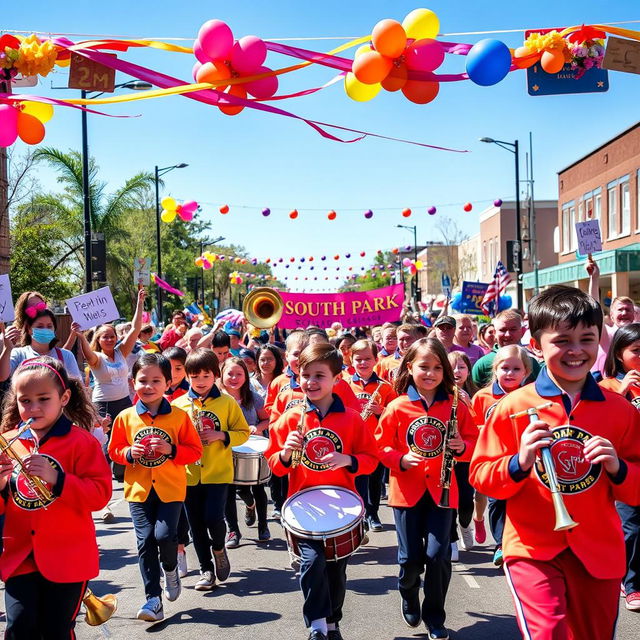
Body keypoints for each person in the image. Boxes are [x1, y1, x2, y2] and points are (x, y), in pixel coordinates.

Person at [470, 285, 640, 640]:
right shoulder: (513, 407)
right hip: (532, 548)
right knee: (547, 633)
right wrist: (519, 462)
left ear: (599, 342)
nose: (576, 350)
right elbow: (482, 476)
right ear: (536, 344)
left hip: (599, 550)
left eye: (586, 339)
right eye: (562, 340)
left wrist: (618, 469)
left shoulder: (620, 409)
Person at [265, 343, 378, 640]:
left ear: (337, 379)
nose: (311, 382)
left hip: (341, 508)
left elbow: (372, 459)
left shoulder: (352, 418)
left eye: (319, 375)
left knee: (336, 573)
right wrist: (287, 454)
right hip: (303, 507)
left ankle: (332, 621)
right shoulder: (289, 419)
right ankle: (316, 623)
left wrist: (349, 460)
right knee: (311, 563)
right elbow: (274, 466)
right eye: (305, 375)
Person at [0, 357, 112, 638]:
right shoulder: (8, 439)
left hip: (69, 557)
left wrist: (58, 480)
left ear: (64, 398)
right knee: (18, 626)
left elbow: (99, 496)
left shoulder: (82, 442)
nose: (32, 408)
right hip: (20, 555)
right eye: (25, 400)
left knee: (56, 630)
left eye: (43, 399)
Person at [375, 338, 477, 640]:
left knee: (438, 556)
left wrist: (463, 447)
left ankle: (435, 616)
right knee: (409, 560)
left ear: (445, 371)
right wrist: (400, 459)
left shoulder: (457, 402)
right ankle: (407, 591)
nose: (430, 373)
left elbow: (474, 442)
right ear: (410, 367)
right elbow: (380, 447)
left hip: (443, 491)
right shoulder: (396, 406)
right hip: (406, 492)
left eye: (436, 368)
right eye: (423, 367)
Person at [108, 352, 203, 622]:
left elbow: (194, 451)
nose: (148, 386)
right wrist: (128, 452)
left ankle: (171, 568)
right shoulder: (125, 417)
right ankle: (153, 599)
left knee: (164, 536)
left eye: (155, 381)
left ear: (167, 383)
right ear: (132, 382)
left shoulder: (179, 417)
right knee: (145, 541)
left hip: (170, 489)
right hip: (138, 489)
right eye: (142, 380)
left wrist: (171, 449)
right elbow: (114, 449)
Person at [172, 349, 250, 592]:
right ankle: (206, 570)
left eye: (206, 376)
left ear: (215, 375)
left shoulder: (227, 402)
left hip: (218, 472)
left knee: (214, 518)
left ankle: (219, 548)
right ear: (187, 377)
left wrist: (222, 435)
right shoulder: (177, 405)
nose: (200, 381)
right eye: (195, 376)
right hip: (188, 474)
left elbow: (244, 433)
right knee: (195, 524)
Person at [470, 345, 532, 565]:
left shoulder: (531, 395)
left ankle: (519, 542)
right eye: (505, 368)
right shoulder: (482, 397)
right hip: (494, 459)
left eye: (516, 369)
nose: (510, 373)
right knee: (496, 500)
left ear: (526, 372)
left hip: (523, 460)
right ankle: (499, 544)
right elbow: (472, 426)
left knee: (521, 501)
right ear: (495, 369)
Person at [599, 322, 640, 610]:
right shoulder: (608, 387)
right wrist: (622, 393)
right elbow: (600, 426)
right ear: (618, 355)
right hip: (624, 468)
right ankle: (632, 584)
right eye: (636, 351)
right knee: (632, 527)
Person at [220, 357, 271, 547]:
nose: (234, 378)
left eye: (239, 374)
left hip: (251, 449)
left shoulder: (253, 396)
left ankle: (263, 526)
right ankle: (233, 530)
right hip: (225, 449)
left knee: (257, 487)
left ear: (246, 376)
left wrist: (257, 428)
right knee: (229, 491)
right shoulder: (216, 398)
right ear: (221, 375)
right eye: (230, 373)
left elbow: (267, 419)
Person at [349, 339, 396, 532]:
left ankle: (373, 512)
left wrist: (380, 410)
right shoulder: (344, 384)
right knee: (357, 477)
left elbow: (394, 414)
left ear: (376, 360)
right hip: (353, 440)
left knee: (375, 480)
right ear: (351, 361)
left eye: (367, 359)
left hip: (376, 440)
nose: (363, 363)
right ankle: (360, 514)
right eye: (358, 359)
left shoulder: (385, 387)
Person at [446, 351, 478, 559]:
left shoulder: (476, 394)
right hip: (447, 458)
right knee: (448, 501)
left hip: (467, 456)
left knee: (466, 501)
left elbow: (479, 427)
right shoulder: (441, 393)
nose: (457, 371)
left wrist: (468, 405)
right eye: (453, 367)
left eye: (462, 367)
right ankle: (451, 539)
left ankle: (466, 525)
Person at [0, 308, 82, 382]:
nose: (45, 329)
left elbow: (77, 386)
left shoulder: (66, 355)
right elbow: (2, 376)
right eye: (40, 326)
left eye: (49, 326)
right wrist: (7, 349)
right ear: (29, 329)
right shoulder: (19, 354)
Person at [471, 310, 541, 388]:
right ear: (494, 333)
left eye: (513, 329)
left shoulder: (531, 363)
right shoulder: (483, 364)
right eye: (503, 330)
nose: (507, 335)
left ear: (522, 331)